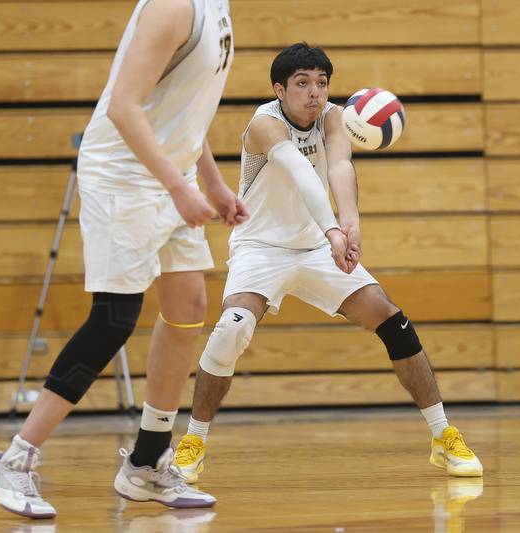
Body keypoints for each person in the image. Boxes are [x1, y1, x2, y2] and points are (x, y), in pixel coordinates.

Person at [0, 0, 246, 518]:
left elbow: (184, 106)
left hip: (172, 173)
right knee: (114, 319)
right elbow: (124, 105)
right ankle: (13, 460)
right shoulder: (171, 8)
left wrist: (210, 182)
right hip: (124, 176)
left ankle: (145, 464)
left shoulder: (217, 6)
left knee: (187, 308)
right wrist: (178, 187)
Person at [172, 43, 483, 483]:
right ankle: (193, 442)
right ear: (279, 90)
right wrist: (334, 229)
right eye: (302, 83)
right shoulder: (264, 124)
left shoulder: (335, 117)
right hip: (261, 247)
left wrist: (350, 223)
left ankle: (443, 435)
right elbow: (301, 173)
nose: (314, 92)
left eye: (321, 82)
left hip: (316, 246)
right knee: (232, 327)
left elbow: (339, 166)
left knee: (392, 321)